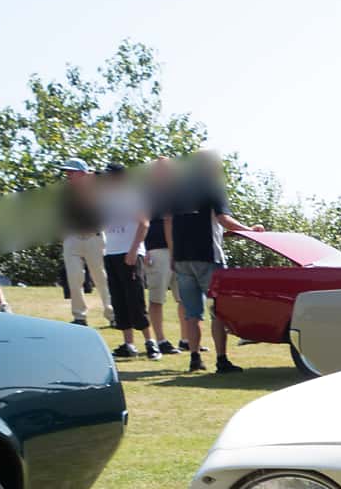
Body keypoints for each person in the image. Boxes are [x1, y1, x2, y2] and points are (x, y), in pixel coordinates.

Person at [169, 152, 252, 373]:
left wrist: (172, 254)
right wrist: (249, 230)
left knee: (192, 313)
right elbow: (223, 220)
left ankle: (194, 358)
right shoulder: (212, 189)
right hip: (208, 258)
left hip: (182, 259)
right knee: (219, 311)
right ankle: (221, 360)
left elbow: (171, 224)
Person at [100, 164, 157, 361]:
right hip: (111, 252)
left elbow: (144, 223)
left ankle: (151, 343)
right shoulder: (105, 199)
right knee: (119, 299)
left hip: (129, 252)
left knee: (135, 298)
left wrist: (134, 250)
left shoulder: (132, 196)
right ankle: (128, 344)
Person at [59, 159, 113, 326]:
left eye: (72, 172)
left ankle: (113, 314)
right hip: (73, 238)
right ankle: (79, 316)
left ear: (83, 173)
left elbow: (105, 175)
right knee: (74, 278)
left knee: (101, 278)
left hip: (94, 237)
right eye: (67, 172)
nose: (68, 175)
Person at [142, 157, 180, 355]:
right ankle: (161, 340)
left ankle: (186, 339)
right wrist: (143, 248)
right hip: (157, 250)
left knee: (183, 299)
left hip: (178, 251)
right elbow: (140, 222)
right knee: (157, 299)